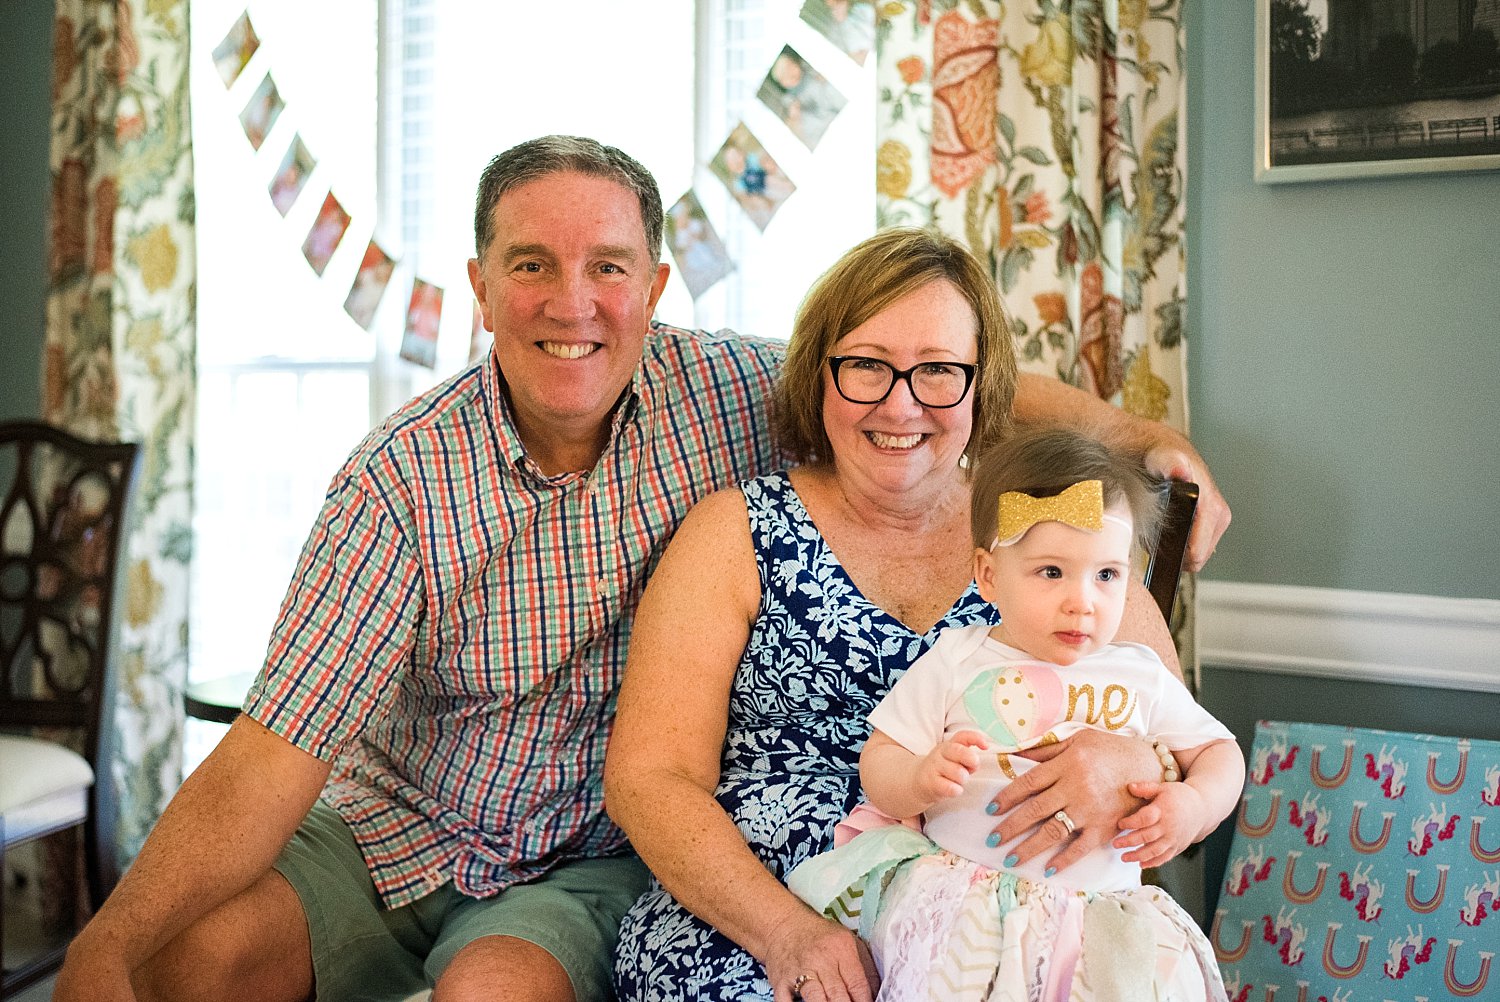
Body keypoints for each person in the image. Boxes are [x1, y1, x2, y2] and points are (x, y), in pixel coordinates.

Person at [55, 136, 1229, 1002]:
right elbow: (277, 745)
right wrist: (102, 948)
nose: (574, 304)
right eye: (531, 265)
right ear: (478, 286)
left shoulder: (725, 388)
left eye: (609, 266)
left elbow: (939, 367)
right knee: (183, 956)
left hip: (578, 865)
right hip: (399, 828)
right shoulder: (401, 480)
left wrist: (1136, 442)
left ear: (657, 288)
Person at [606, 231, 1225, 1002]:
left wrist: (1141, 768)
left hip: (1012, 927)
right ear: (820, 374)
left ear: (980, 384)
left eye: (937, 370)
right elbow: (649, 780)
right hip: (768, 910)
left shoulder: (1051, 531)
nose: (900, 403)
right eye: (866, 365)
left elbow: (1178, 733)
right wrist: (785, 933)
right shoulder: (737, 532)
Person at [785, 427, 1245, 1001]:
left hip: (1096, 923)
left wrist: (1196, 802)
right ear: (988, 575)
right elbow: (880, 760)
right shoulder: (959, 659)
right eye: (1051, 572)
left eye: (1107, 574)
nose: (1083, 599)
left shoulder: (1140, 673)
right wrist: (918, 779)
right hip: (967, 911)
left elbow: (1219, 753)